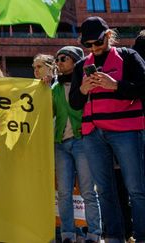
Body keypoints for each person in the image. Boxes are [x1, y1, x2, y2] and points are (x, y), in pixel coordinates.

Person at [69, 16, 145, 243]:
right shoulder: (82, 65)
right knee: (104, 190)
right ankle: (114, 237)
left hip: (127, 129)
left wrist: (116, 86)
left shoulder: (128, 56)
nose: (93, 48)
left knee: (136, 188)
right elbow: (74, 103)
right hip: (93, 133)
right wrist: (82, 89)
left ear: (109, 36)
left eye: (98, 42)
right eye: (88, 45)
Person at [52, 46, 101, 243]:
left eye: (63, 58)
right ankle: (67, 234)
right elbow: (48, 112)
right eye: (57, 59)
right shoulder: (54, 88)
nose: (59, 62)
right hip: (60, 144)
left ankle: (94, 234)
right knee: (63, 192)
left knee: (88, 191)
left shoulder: (85, 83)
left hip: (83, 141)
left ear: (75, 61)